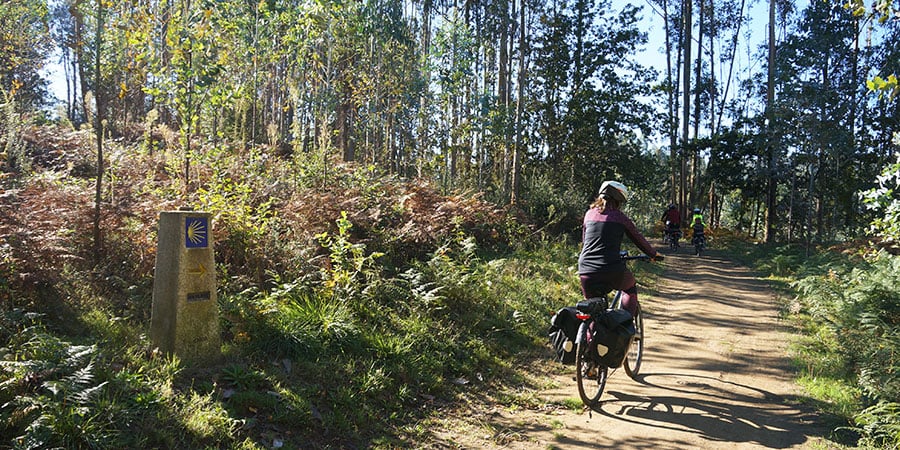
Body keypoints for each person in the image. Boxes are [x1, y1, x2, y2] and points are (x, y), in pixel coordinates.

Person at [578, 181, 662, 317]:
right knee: (629, 287)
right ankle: (626, 322)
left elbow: (584, 241)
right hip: (611, 268)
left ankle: (588, 335)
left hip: (586, 269)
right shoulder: (619, 217)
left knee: (591, 311)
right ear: (618, 199)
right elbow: (637, 238)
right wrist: (653, 254)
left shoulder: (589, 214)